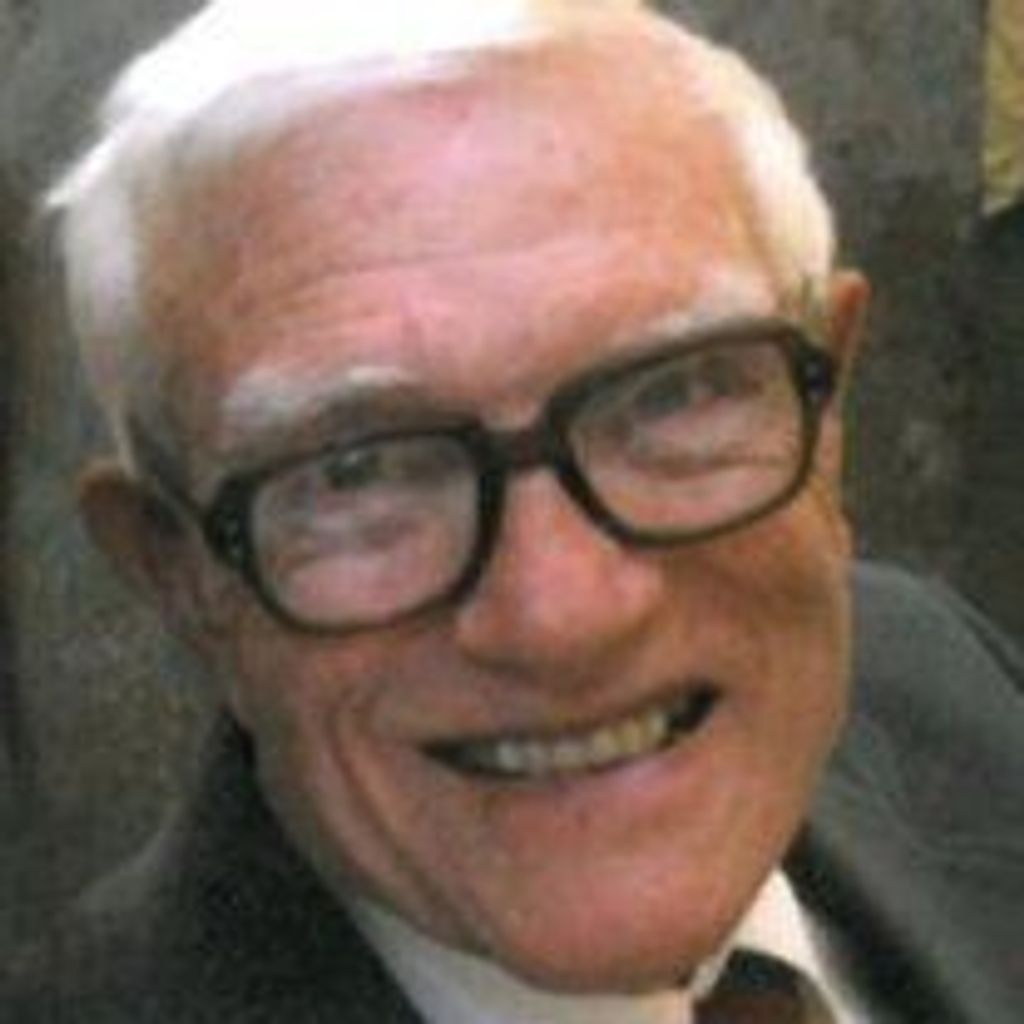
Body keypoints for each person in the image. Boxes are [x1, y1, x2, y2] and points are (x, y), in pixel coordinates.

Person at [4, 0, 1021, 1020]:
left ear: (827, 413)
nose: (562, 616)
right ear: (177, 570)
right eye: (359, 471)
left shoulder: (945, 690)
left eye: (671, 394)